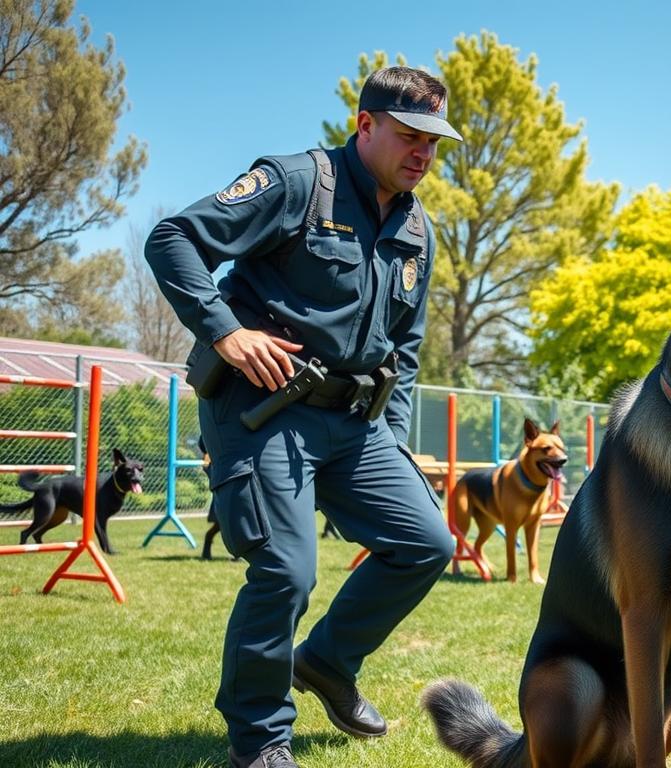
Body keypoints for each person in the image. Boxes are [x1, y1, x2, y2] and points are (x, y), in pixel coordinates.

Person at [144, 68, 462, 768]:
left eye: (433, 143)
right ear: (365, 123)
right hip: (263, 408)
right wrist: (225, 330)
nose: (422, 154)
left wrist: (392, 437)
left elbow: (404, 350)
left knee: (426, 543)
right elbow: (173, 240)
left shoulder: (417, 227)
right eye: (409, 136)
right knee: (286, 570)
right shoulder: (296, 183)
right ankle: (261, 740)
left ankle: (325, 660)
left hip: (355, 422)